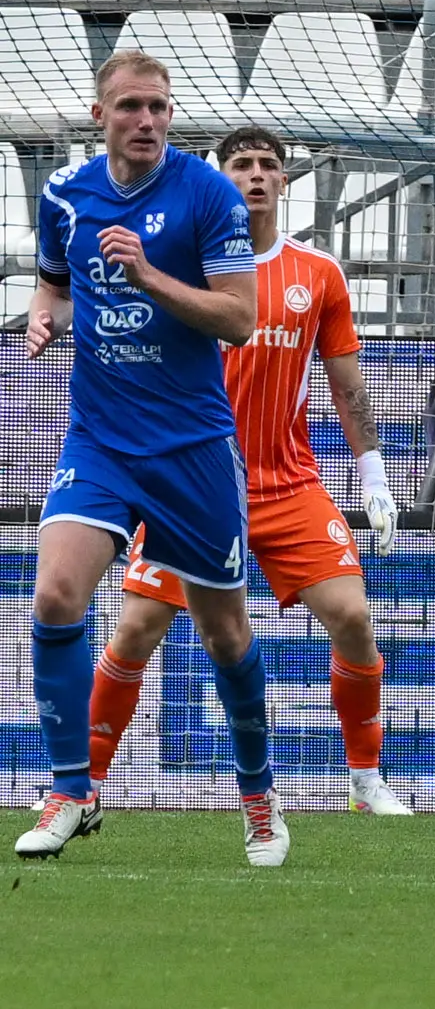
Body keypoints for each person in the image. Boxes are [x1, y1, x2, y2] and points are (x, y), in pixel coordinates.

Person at [85, 125, 408, 816]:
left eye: (267, 164)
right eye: (240, 165)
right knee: (136, 627)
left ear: (284, 181)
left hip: (287, 481)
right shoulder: (183, 263)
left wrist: (373, 475)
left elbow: (347, 385)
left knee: (352, 615)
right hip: (193, 484)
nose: (255, 175)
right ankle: (83, 785)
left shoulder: (317, 273)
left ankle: (365, 778)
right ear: (218, 179)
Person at [15, 52, 288, 866]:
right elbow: (53, 282)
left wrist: (148, 274)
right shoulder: (65, 194)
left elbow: (238, 319)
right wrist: (42, 316)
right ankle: (72, 789)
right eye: (130, 106)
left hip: (193, 447)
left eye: (160, 107)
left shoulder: (206, 194)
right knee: (57, 592)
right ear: (99, 115)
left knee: (225, 633)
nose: (147, 121)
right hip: (99, 439)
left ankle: (259, 795)